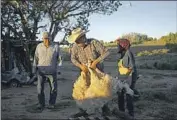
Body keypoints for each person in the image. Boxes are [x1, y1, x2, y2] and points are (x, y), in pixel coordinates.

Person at [67, 27, 110, 117]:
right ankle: (84, 110)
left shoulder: (94, 42)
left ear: (83, 37)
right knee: (83, 91)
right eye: (76, 41)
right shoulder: (75, 46)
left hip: (97, 72)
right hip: (85, 72)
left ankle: (104, 110)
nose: (77, 43)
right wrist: (80, 66)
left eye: (78, 40)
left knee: (100, 91)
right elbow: (73, 58)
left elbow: (106, 52)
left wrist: (96, 61)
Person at [32, 32, 61, 111]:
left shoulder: (55, 47)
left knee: (53, 88)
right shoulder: (39, 46)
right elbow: (36, 58)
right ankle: (41, 104)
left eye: (48, 38)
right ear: (42, 39)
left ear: (50, 38)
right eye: (45, 39)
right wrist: (34, 69)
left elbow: (60, 59)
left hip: (52, 72)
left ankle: (51, 104)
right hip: (41, 71)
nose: (46, 40)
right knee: (40, 88)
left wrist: (58, 69)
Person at [116, 38, 138, 118]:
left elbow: (131, 67)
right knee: (120, 94)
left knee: (129, 95)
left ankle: (130, 115)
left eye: (118, 45)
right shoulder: (122, 54)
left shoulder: (128, 52)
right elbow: (121, 68)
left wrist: (126, 80)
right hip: (122, 77)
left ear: (123, 45)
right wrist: (118, 78)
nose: (117, 47)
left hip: (129, 77)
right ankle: (121, 112)